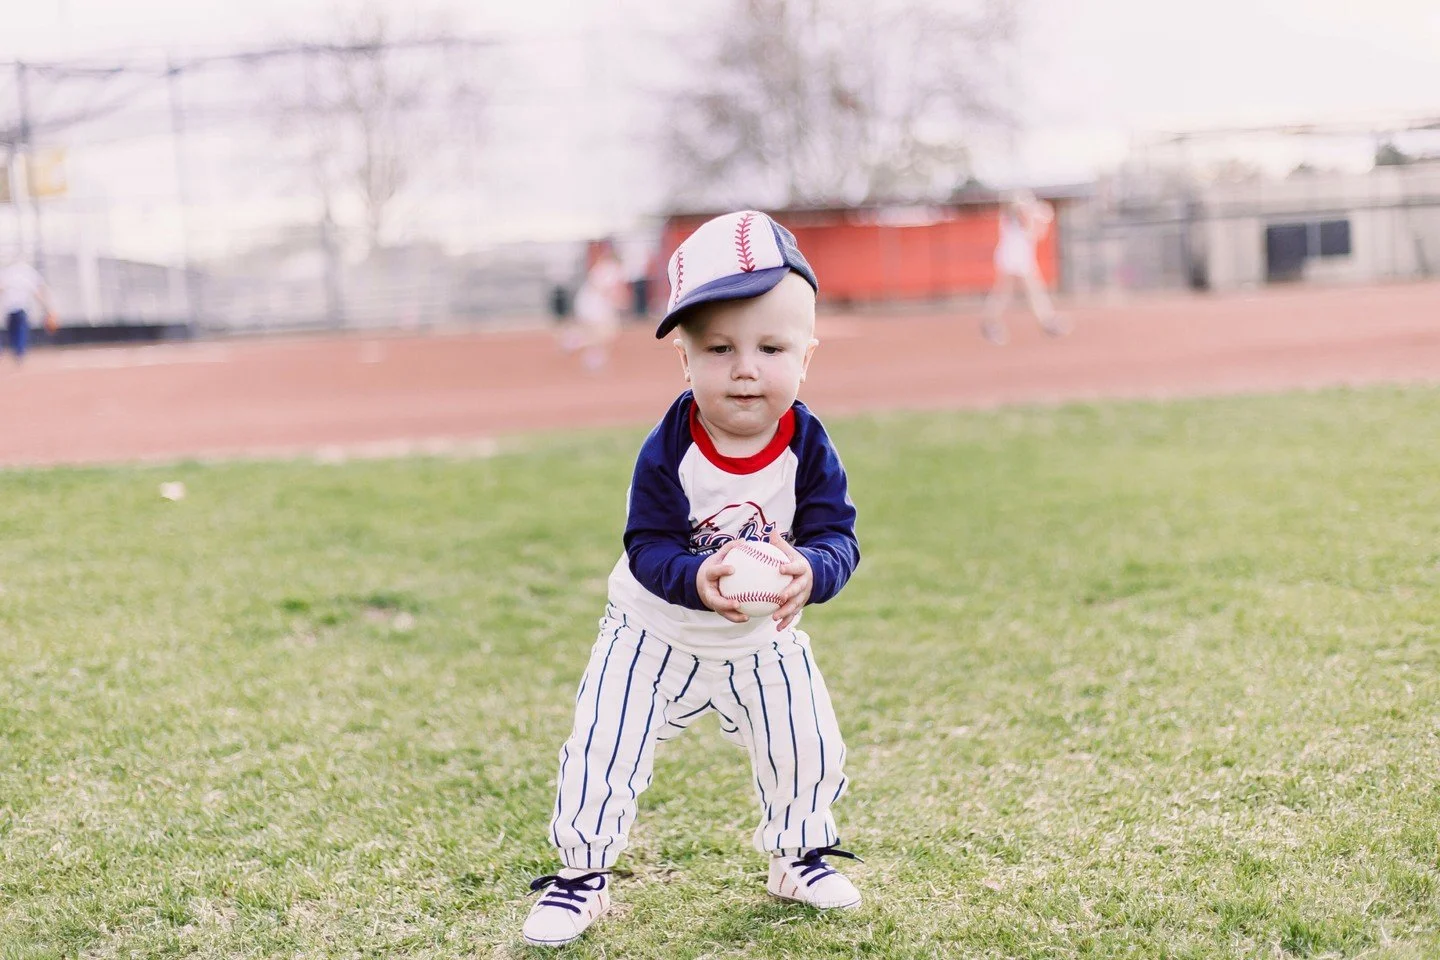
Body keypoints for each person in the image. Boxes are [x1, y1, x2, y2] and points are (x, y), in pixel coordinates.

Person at [522, 211, 863, 947]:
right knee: (603, 744)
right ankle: (582, 874)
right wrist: (693, 577)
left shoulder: (807, 444)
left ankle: (798, 853)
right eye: (718, 349)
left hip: (761, 639)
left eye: (771, 347)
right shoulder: (671, 446)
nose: (745, 367)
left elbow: (839, 535)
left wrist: (814, 570)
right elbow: (646, 543)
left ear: (807, 357)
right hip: (653, 632)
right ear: (684, 361)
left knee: (804, 741)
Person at [980, 189, 1068, 345]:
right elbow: (1025, 219)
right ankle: (991, 322)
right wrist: (1039, 213)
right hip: (1012, 258)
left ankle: (1046, 320)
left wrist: (1042, 217)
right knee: (1005, 293)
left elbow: (1038, 233)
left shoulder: (1020, 218)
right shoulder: (1012, 216)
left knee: (1034, 291)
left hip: (1021, 259)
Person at [567, 240, 628, 371]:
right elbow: (607, 289)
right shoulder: (611, 268)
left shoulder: (605, 266)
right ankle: (591, 357)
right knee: (604, 333)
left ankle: (574, 342)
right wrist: (618, 301)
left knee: (602, 333)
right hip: (595, 305)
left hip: (593, 304)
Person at [0, 256, 57, 363]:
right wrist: (48, 308)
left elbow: (1, 288)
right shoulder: (28, 273)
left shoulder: (7, 272)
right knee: (20, 331)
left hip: (9, 308)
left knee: (12, 331)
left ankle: (15, 351)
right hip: (21, 307)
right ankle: (19, 353)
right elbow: (37, 292)